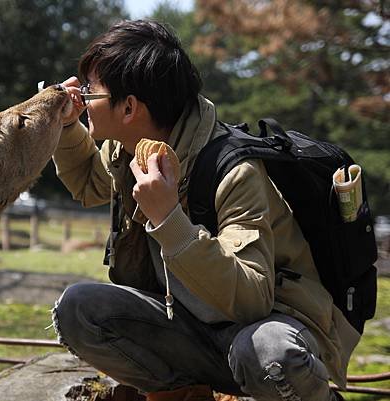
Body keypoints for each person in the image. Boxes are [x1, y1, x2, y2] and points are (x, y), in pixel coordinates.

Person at [49, 19, 357, 401]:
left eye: (89, 91)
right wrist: (65, 128)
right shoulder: (125, 149)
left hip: (262, 330)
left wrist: (168, 221)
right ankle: (184, 393)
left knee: (271, 354)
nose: (80, 96)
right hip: (187, 323)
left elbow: (252, 300)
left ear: (129, 108)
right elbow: (89, 184)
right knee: (79, 309)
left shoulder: (233, 170)